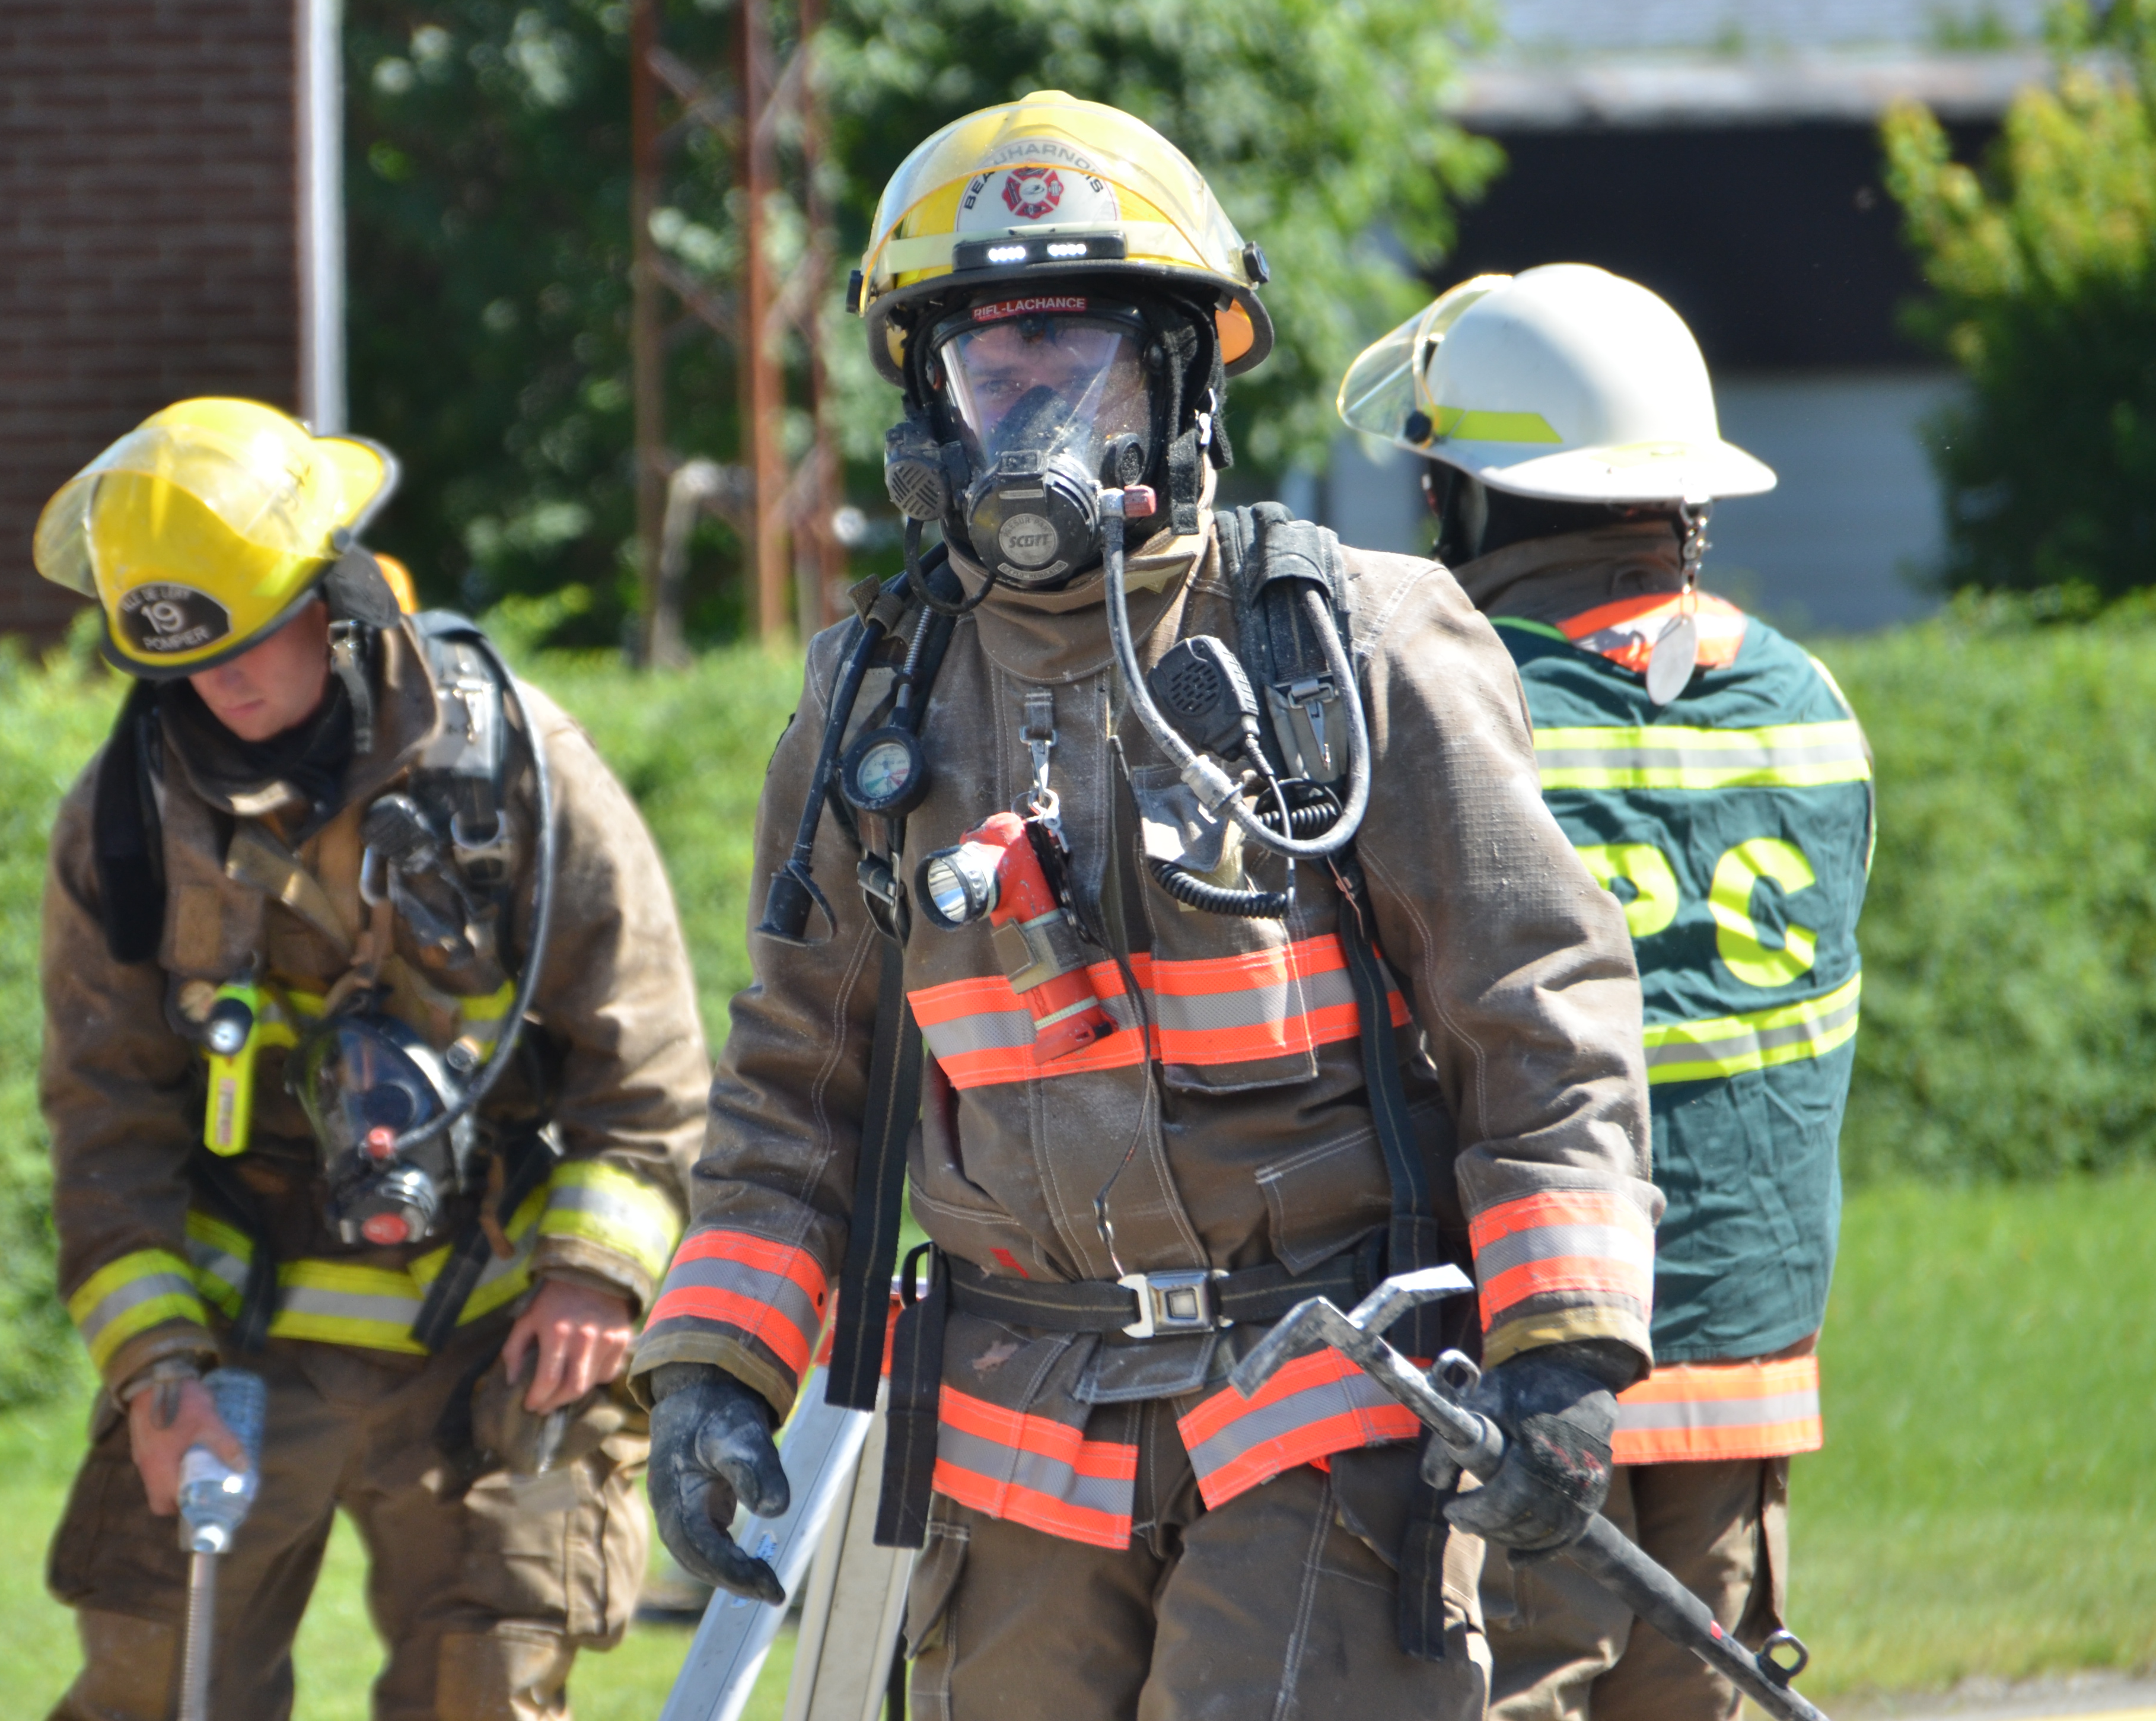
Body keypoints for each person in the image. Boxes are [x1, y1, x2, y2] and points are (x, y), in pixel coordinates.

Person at [627, 93, 1660, 1719]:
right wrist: (714, 1369)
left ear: (1179, 377)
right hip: (1016, 1430)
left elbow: (1537, 1009)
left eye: (1079, 357)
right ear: (931, 405)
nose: (1031, 407)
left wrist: (1564, 1343)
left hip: (1324, 1393)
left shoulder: (1351, 649)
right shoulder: (875, 707)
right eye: (991, 365)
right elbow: (792, 1084)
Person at [30, 399, 709, 1721]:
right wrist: (157, 1373)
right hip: (232, 1349)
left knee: (489, 1686)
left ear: (335, 594)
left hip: (493, 1345)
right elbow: (105, 1124)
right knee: (152, 1685)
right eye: (177, 660)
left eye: (244, 640)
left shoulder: (517, 764)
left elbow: (648, 1069)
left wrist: (593, 1277)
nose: (215, 686)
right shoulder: (122, 821)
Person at [1338, 263, 1870, 1721]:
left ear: (1476, 504)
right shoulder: (1812, 708)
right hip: (1747, 1381)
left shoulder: (1457, 712)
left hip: (1526, 1358)